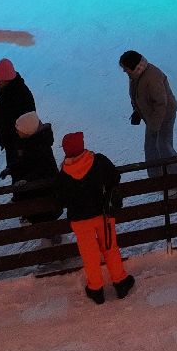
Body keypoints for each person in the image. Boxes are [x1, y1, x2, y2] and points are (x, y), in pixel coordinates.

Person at [57, 130, 134, 304]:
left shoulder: (64, 174)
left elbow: (60, 199)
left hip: (80, 220)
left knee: (89, 254)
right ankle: (120, 282)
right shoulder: (98, 161)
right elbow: (115, 176)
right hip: (103, 216)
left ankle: (96, 289)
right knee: (110, 248)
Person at [120, 50, 177, 175]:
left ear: (133, 66)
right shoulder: (136, 75)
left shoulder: (152, 77)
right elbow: (138, 95)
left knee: (163, 146)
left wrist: (155, 127)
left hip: (164, 115)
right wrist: (137, 111)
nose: (124, 71)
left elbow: (161, 104)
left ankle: (175, 182)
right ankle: (156, 178)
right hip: (152, 116)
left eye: (125, 68)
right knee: (151, 147)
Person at [6, 112, 62, 226]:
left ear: (27, 131)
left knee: (45, 219)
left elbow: (43, 170)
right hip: (36, 193)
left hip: (44, 193)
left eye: (18, 129)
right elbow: (25, 163)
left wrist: (26, 179)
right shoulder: (30, 142)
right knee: (41, 217)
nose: (16, 131)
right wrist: (11, 168)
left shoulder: (39, 147)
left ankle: (52, 235)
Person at [0, 59, 36, 167]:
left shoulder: (21, 95)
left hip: (18, 143)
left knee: (20, 169)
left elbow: (27, 123)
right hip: (10, 139)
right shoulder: (5, 90)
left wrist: (20, 147)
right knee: (14, 167)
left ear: (8, 79)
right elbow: (3, 111)